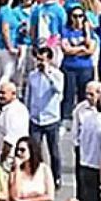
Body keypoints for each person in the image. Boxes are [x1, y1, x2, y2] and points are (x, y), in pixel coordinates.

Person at [25, 45, 64, 187]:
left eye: (43, 59)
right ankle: (37, 176)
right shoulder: (32, 75)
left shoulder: (58, 75)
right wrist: (27, 112)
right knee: (35, 150)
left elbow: (59, 90)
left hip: (51, 118)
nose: (40, 62)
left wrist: (48, 74)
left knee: (54, 150)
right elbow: (28, 95)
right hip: (36, 118)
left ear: (49, 60)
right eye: (38, 59)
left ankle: (56, 177)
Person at [0, 81, 29, 163]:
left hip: (10, 159)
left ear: (13, 94)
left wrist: (1, 161)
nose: (0, 96)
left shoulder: (15, 111)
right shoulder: (7, 109)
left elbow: (10, 141)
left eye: (3, 93)